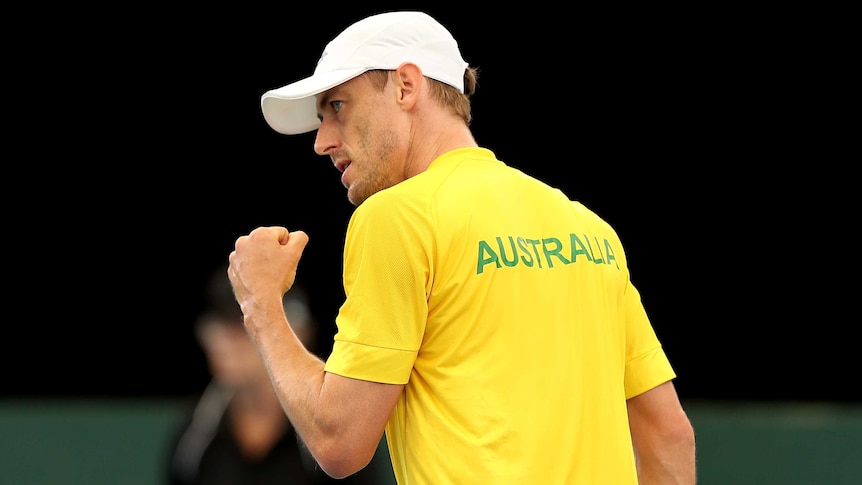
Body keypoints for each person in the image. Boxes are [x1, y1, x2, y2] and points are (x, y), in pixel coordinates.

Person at [227, 10, 696, 484]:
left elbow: (338, 442)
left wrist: (260, 304)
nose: (322, 141)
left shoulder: (398, 217)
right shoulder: (589, 230)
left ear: (405, 87)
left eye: (338, 106)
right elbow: (669, 434)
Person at [165, 263, 394, 485]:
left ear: (298, 332)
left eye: (243, 324)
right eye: (218, 326)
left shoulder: (334, 429)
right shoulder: (195, 436)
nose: (224, 341)